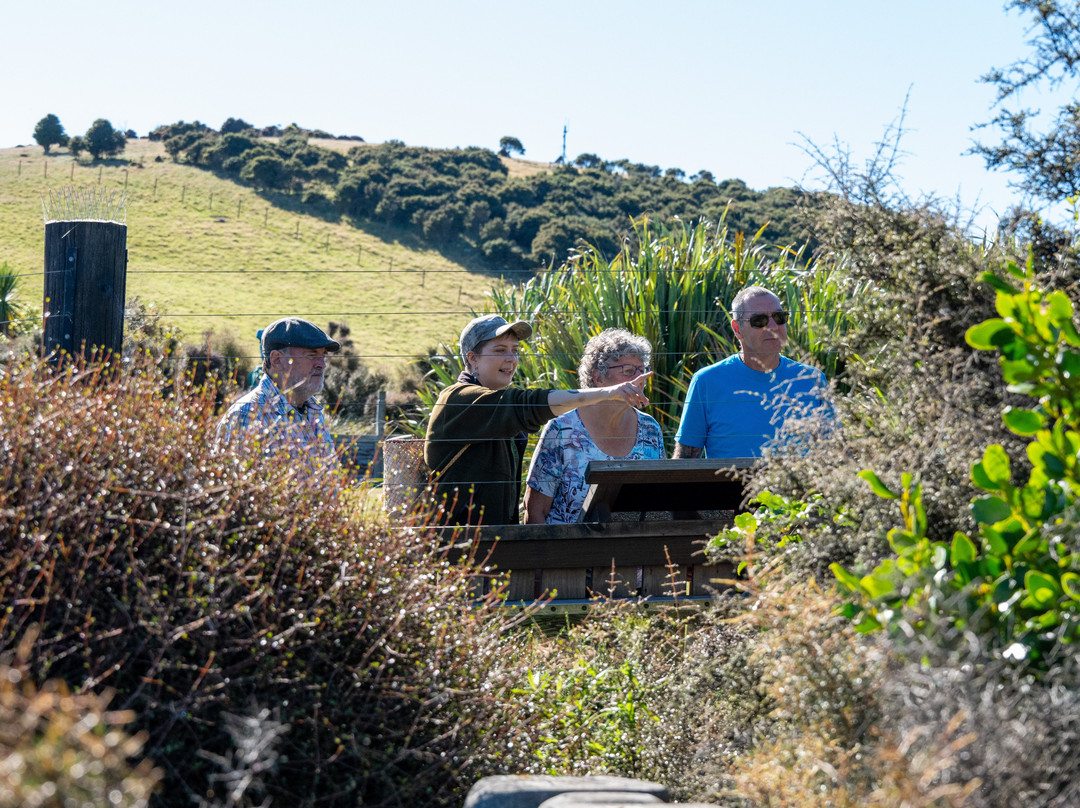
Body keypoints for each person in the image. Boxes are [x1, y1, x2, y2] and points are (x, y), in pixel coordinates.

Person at [424, 315, 652, 526]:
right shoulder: (458, 400)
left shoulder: (496, 406)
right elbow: (530, 405)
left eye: (515, 350)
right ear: (472, 358)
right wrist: (608, 393)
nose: (511, 359)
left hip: (489, 549)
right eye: (500, 350)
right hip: (453, 550)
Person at [673, 286, 832, 459]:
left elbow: (834, 453)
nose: (773, 326)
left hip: (798, 486)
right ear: (737, 328)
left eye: (779, 317)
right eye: (759, 320)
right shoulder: (706, 382)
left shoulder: (812, 380)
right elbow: (685, 460)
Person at [524, 329, 665, 524]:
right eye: (629, 371)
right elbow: (535, 512)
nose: (639, 379)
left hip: (631, 548)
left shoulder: (650, 429)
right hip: (568, 551)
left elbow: (657, 502)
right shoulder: (562, 429)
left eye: (642, 370)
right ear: (598, 377)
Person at [216, 317, 341, 472]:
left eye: (323, 355)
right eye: (312, 354)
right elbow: (235, 491)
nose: (322, 364)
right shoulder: (247, 416)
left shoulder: (313, 412)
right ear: (276, 359)